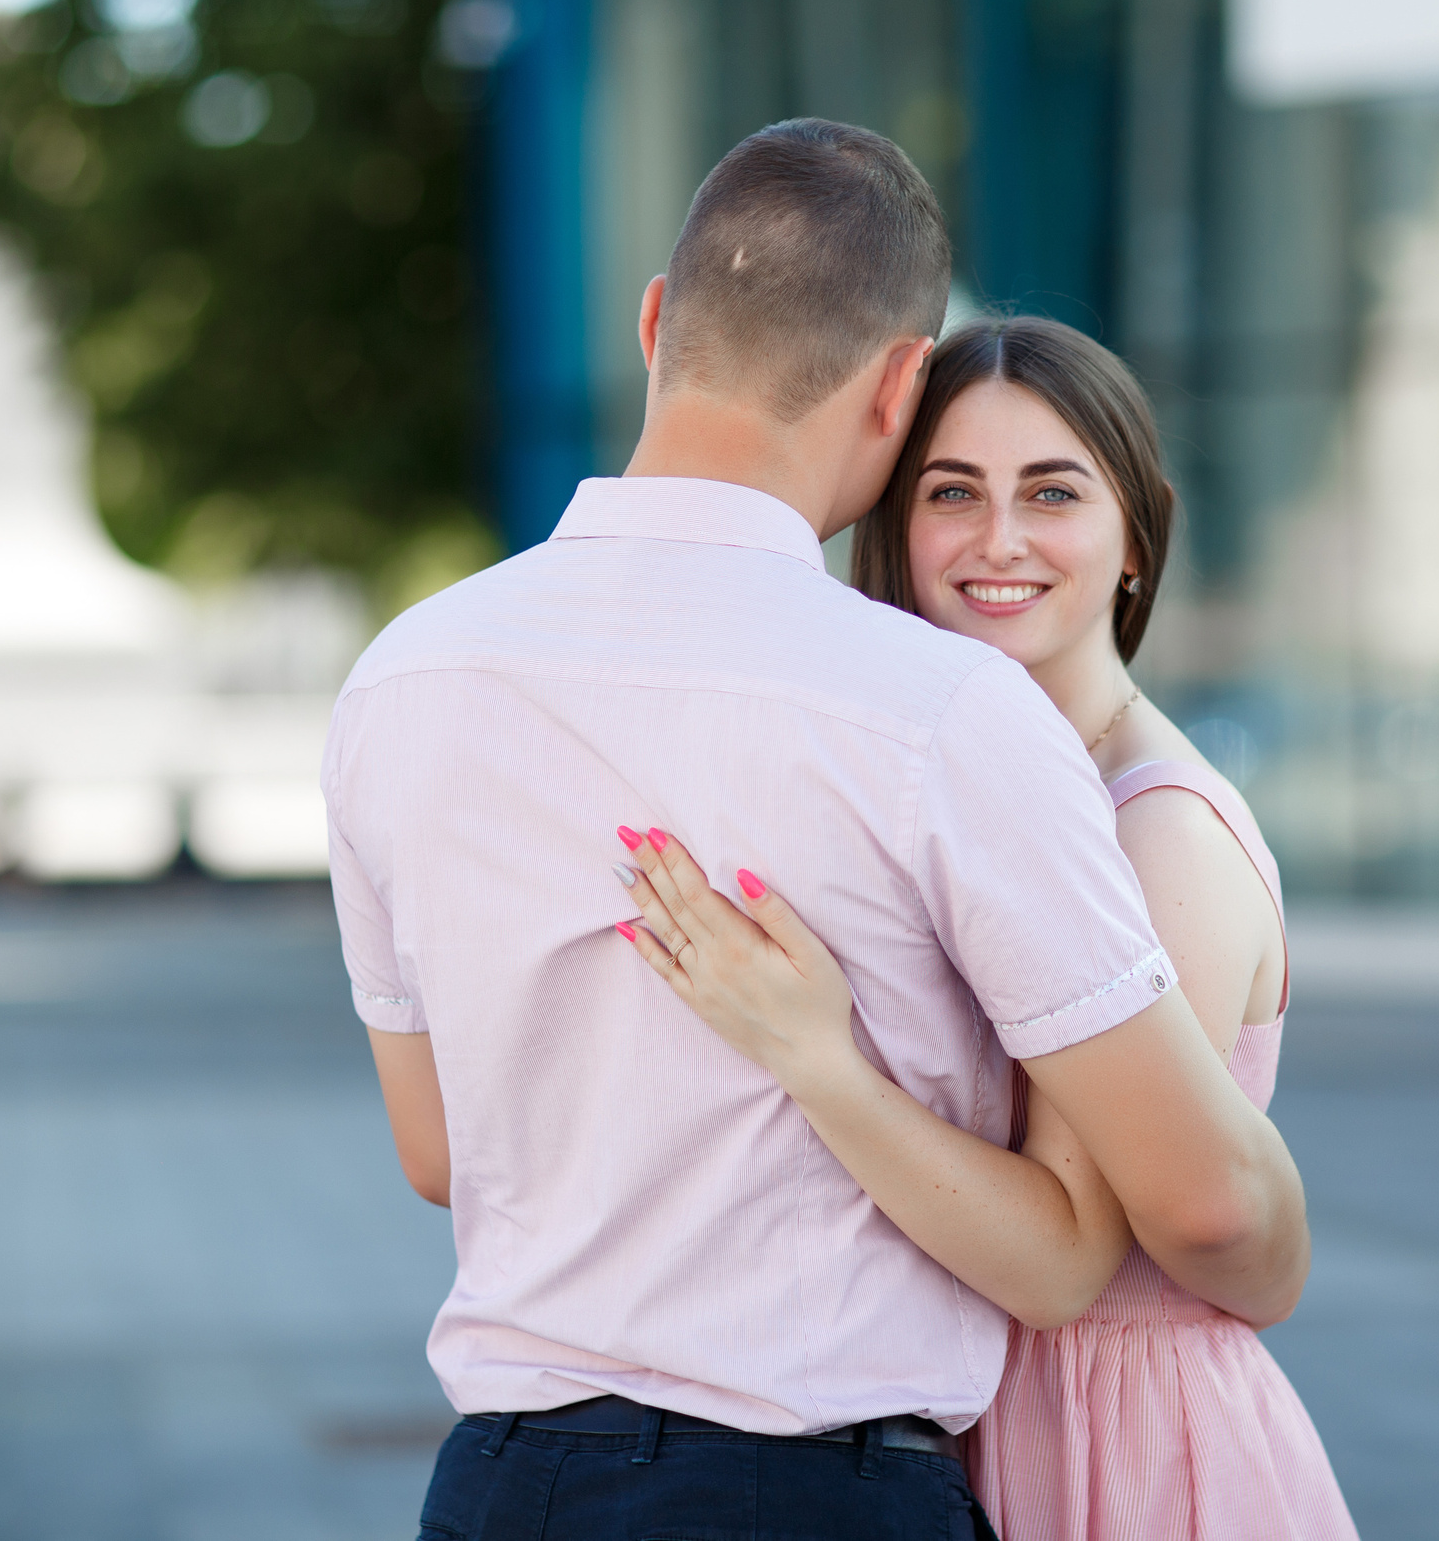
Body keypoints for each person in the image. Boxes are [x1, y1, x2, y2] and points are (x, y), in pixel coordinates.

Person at [324, 120, 1309, 1539]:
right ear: (906, 384)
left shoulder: (401, 676)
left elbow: (439, 1150)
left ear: (659, 320)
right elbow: (1143, 1229)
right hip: (810, 1488)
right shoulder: (946, 711)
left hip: (501, 1487)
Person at [613, 316, 1359, 1540]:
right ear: (896, 532)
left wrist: (814, 1058)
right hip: (942, 1428)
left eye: (1051, 493)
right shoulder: (947, 789)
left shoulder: (1151, 835)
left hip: (1117, 1442)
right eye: (951, 493)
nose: (998, 540)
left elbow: (1147, 1240)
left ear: (1134, 539)